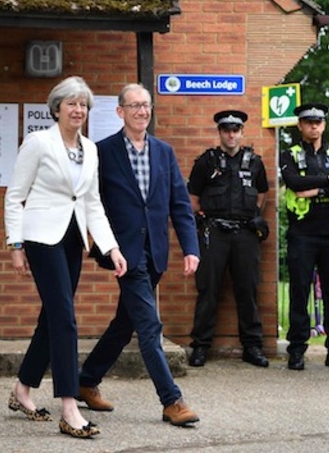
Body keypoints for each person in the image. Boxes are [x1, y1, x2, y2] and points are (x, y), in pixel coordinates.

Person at [4, 76, 127, 438]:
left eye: (84, 104)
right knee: (65, 319)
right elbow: (14, 196)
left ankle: (23, 388)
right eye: (71, 103)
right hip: (41, 238)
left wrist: (111, 247)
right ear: (56, 108)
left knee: (52, 318)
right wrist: (15, 246)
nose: (78, 110)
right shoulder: (38, 143)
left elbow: (92, 203)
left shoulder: (90, 149)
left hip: (73, 239)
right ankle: (70, 406)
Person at [77, 83, 201, 427]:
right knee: (150, 326)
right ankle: (171, 401)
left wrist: (191, 248)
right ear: (120, 112)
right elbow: (90, 202)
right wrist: (99, 242)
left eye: (146, 105)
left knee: (124, 324)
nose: (142, 111)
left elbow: (179, 203)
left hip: (156, 253)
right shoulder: (102, 152)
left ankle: (85, 381)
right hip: (125, 255)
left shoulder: (164, 152)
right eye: (134, 106)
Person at [280, 103, 329, 373]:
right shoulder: (289, 154)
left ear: (324, 125)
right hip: (302, 233)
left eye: (318, 122)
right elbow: (293, 183)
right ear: (300, 126)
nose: (314, 126)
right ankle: (297, 350)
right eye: (308, 122)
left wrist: (317, 191)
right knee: (299, 292)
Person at [186, 110, 269, 368]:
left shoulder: (255, 162)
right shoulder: (206, 162)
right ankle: (200, 346)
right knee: (208, 290)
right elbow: (193, 198)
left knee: (248, 289)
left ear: (242, 132)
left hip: (246, 234)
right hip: (215, 233)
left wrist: (251, 215)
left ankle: (252, 347)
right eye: (226, 130)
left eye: (236, 130)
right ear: (219, 133)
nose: (231, 134)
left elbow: (262, 194)